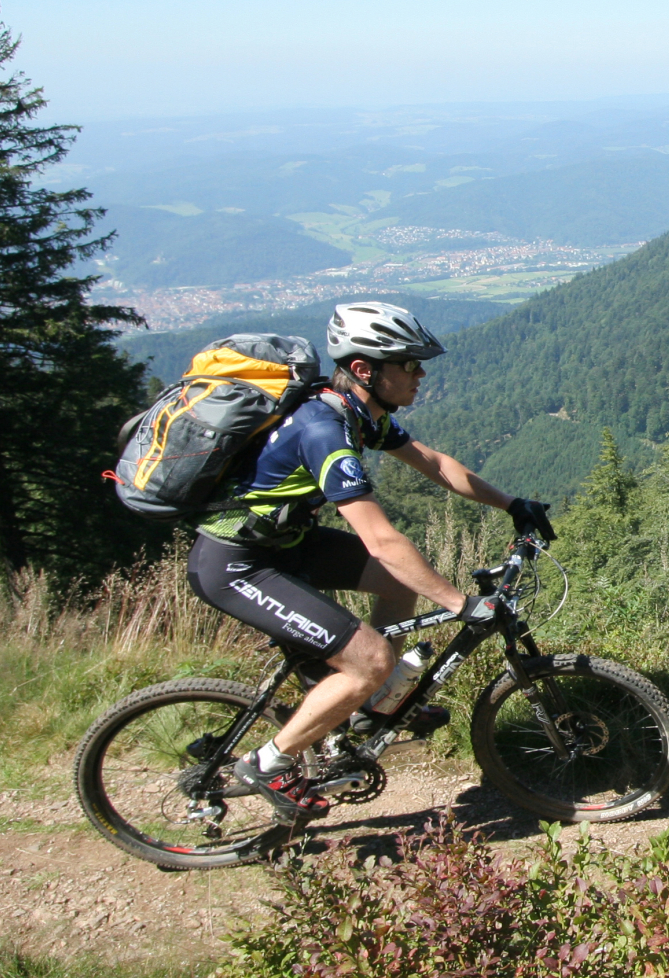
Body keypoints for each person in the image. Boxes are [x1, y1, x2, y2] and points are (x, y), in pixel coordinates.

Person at [185, 301, 543, 819]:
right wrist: (459, 602)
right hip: (237, 564)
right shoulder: (324, 432)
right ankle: (268, 762)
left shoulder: (355, 413)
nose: (420, 374)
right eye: (409, 364)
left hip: (286, 545)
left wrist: (512, 504)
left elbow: (434, 463)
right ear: (363, 370)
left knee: (397, 590)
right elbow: (382, 540)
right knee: (370, 658)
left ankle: (370, 708)